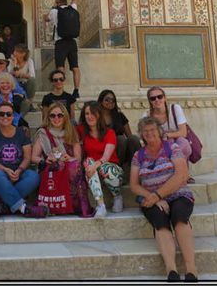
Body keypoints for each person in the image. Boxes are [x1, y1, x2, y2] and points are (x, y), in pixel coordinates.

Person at [131, 117, 198, 282]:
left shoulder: (172, 148)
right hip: (151, 198)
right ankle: (171, 270)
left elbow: (182, 175)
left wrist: (158, 195)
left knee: (180, 218)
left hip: (178, 193)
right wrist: (152, 197)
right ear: (141, 135)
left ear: (160, 131)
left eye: (152, 130)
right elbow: (134, 185)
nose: (149, 133)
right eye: (145, 131)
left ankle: (191, 268)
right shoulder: (138, 155)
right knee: (160, 222)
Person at [0, 102, 37, 217]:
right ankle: (23, 208)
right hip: (0, 172)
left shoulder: (21, 133)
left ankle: (2, 205)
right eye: (1, 114)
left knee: (34, 176)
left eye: (8, 114)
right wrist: (6, 170)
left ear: (13, 116)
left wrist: (20, 170)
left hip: (18, 171)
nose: (5, 117)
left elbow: (27, 158)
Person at [31, 101, 83, 217]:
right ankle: (57, 204)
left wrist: (70, 158)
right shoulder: (43, 133)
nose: (56, 118)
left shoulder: (71, 132)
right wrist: (45, 160)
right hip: (52, 171)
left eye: (60, 115)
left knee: (73, 166)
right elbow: (34, 157)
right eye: (52, 115)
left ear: (65, 117)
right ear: (48, 118)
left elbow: (78, 158)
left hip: (69, 170)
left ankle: (72, 204)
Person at [77, 100, 124, 216]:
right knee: (88, 161)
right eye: (87, 114)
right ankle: (100, 204)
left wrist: (94, 166)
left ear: (99, 115)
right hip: (92, 170)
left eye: (93, 113)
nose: (90, 116)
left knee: (102, 167)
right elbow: (66, 134)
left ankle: (117, 196)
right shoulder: (81, 130)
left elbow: (106, 157)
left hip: (111, 169)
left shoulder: (109, 133)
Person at [142, 86, 202, 165]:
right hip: (158, 145)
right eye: (153, 98)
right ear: (150, 101)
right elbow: (145, 137)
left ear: (165, 98)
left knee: (183, 143)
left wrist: (166, 135)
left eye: (160, 97)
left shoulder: (175, 109)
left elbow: (183, 132)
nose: (157, 100)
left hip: (177, 143)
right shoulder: (146, 116)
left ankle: (181, 172)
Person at [43, 0, 82, 89]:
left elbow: (46, 18)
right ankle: (76, 90)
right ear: (65, 0)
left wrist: (53, 6)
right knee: (75, 67)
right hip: (72, 42)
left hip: (60, 43)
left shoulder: (54, 11)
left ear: (57, 1)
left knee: (60, 67)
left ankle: (61, 88)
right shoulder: (73, 8)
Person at [99, 89, 141, 166]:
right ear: (101, 101)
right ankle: (118, 166)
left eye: (113, 100)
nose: (110, 102)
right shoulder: (96, 117)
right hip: (105, 147)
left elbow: (129, 135)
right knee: (120, 139)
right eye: (107, 100)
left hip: (122, 148)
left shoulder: (119, 116)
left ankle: (137, 165)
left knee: (133, 138)